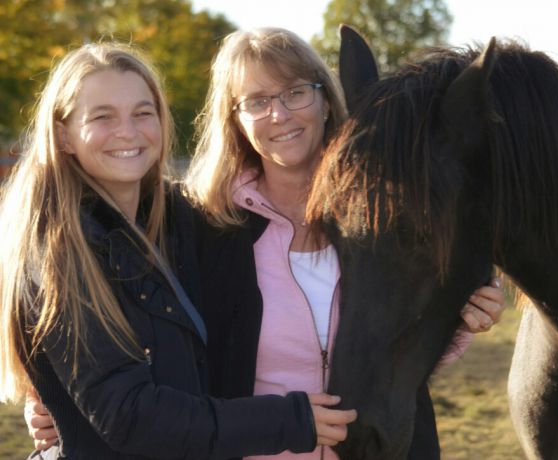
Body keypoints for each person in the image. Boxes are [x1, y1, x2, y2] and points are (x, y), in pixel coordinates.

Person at [25, 28, 505, 458]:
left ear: (324, 99)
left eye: (295, 92)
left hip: (383, 447)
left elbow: (396, 344)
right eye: (256, 100)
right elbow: (146, 348)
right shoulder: (200, 223)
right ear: (235, 119)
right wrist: (55, 401)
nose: (278, 114)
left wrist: (462, 321)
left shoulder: (381, 214)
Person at [0, 42, 357, 459]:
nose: (128, 132)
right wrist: (290, 421)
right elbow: (129, 415)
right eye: (102, 117)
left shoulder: (176, 223)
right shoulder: (58, 251)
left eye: (142, 112)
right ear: (62, 135)